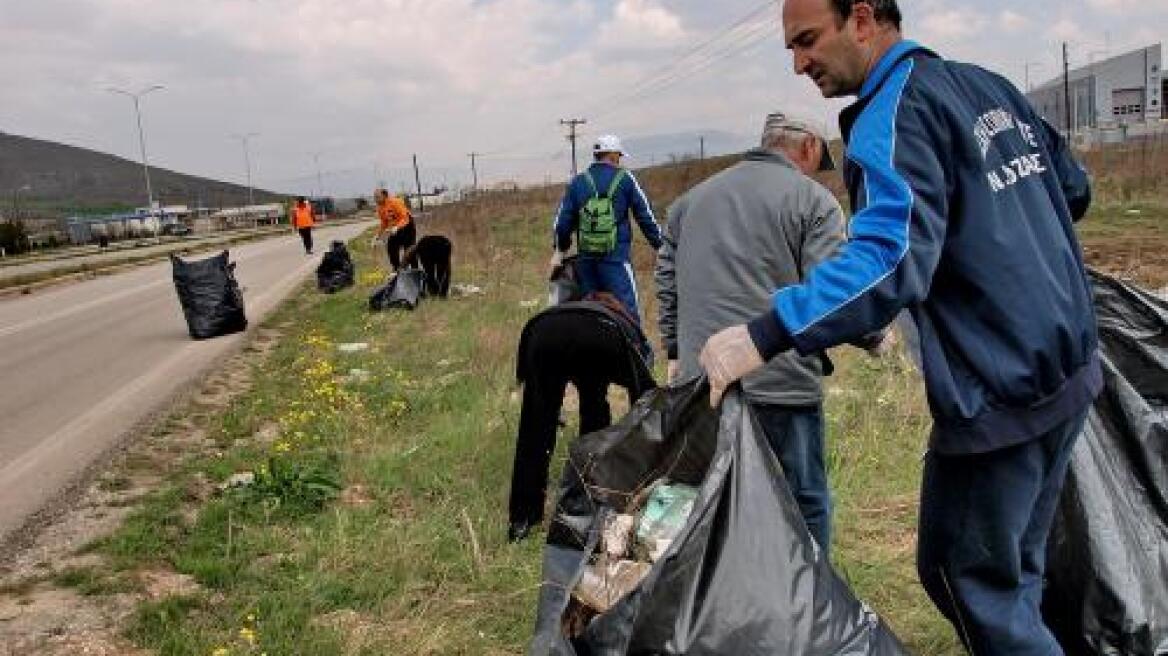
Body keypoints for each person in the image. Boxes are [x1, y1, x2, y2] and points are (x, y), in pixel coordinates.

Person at [700, 1, 1097, 653]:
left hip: (1001, 392)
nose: (799, 64)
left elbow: (886, 261)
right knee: (1015, 569)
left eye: (807, 41)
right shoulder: (986, 86)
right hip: (1071, 369)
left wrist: (763, 334)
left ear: (861, 19)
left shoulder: (893, 115)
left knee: (967, 576)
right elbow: (1073, 188)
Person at [655, 111, 864, 557]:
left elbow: (666, 280)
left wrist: (674, 349)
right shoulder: (813, 200)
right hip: (781, 384)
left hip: (701, 387)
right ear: (808, 146)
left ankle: (718, 608)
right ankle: (808, 606)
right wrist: (874, 335)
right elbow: (832, 289)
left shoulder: (690, 202)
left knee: (709, 505)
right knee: (803, 502)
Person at [508, 292, 656, 542]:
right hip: (601, 337)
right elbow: (646, 399)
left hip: (540, 332)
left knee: (536, 427)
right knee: (598, 409)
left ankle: (522, 521)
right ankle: (593, 497)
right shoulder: (623, 324)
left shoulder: (564, 311)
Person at [550, 134, 664, 324]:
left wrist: (560, 249)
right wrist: (661, 247)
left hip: (586, 262)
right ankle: (640, 352)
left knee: (591, 313)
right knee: (627, 314)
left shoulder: (577, 182)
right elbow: (646, 217)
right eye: (618, 156)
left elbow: (562, 224)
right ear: (612, 155)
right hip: (616, 260)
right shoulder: (625, 179)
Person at [375, 189, 416, 271]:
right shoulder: (380, 208)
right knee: (391, 247)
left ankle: (415, 269)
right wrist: (377, 236)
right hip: (395, 229)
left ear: (384, 196)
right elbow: (384, 223)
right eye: (375, 197)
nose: (376, 199)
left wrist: (397, 227)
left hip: (407, 226)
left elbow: (405, 218)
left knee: (409, 249)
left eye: (377, 197)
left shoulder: (395, 202)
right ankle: (397, 270)